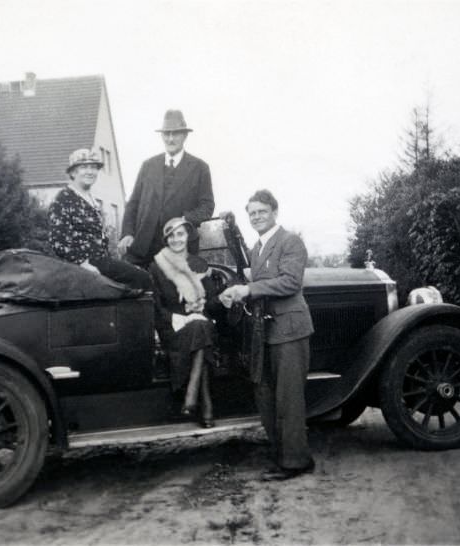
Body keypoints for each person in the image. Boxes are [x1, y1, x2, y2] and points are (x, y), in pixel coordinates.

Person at [218, 189, 315, 480]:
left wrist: (248, 289)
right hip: (266, 331)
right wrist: (235, 295)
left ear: (274, 211)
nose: (256, 217)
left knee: (289, 399)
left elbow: (289, 283)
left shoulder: (290, 241)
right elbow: (258, 286)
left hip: (290, 329)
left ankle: (295, 462)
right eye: (252, 213)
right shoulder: (257, 249)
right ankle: (282, 456)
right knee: (266, 396)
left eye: (261, 211)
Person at [118, 110, 215, 267]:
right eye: (166, 134)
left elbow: (207, 206)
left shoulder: (200, 168)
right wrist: (127, 234)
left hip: (180, 248)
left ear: (185, 136)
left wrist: (185, 220)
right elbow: (133, 204)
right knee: (127, 284)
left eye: (175, 134)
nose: (170, 139)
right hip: (143, 247)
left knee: (175, 290)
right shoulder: (148, 166)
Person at [47, 148, 152, 290]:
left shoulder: (91, 200)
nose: (90, 172)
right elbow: (58, 241)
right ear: (73, 172)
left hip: (102, 261)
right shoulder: (64, 199)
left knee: (141, 274)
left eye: (94, 167)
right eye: (84, 167)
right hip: (85, 264)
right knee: (142, 279)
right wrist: (82, 264)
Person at [150, 217, 220, 428]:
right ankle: (205, 403)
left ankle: (192, 395)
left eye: (180, 234)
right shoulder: (157, 266)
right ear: (166, 239)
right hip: (173, 326)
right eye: (171, 235)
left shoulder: (198, 264)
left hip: (199, 322)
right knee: (202, 334)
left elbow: (211, 300)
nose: (176, 239)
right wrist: (179, 318)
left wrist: (221, 299)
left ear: (188, 236)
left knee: (201, 326)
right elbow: (156, 306)